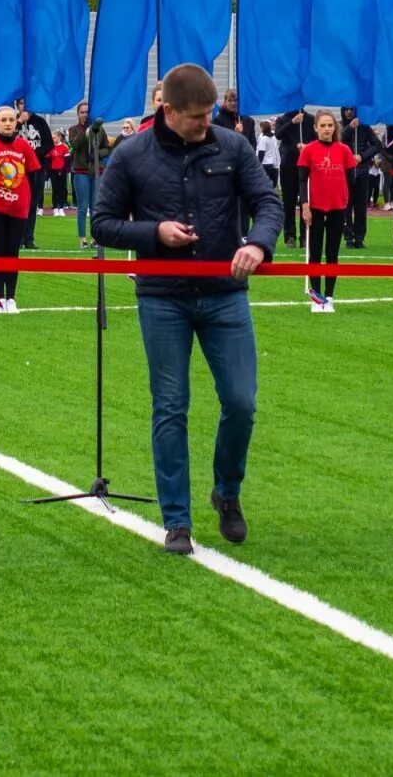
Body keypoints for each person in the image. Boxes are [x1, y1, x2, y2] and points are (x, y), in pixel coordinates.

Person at [93, 63, 279, 555]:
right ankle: (177, 519)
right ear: (167, 110)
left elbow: (268, 202)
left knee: (241, 401)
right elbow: (103, 224)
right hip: (163, 298)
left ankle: (227, 492)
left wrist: (258, 245)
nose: (206, 125)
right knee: (170, 407)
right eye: (196, 117)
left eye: (210, 115)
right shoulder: (131, 154)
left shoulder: (232, 146)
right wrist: (154, 234)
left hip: (224, 294)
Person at [0, 106, 41, 312]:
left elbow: (34, 175)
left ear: (16, 122)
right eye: (3, 120)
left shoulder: (24, 146)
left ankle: (11, 298)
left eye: (11, 120)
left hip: (18, 208)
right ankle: (0, 298)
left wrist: (30, 202)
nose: (7, 123)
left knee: (12, 252)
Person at [298, 110, 357, 312]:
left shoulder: (344, 150)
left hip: (337, 207)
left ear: (335, 127)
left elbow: (351, 179)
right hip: (314, 208)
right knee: (315, 253)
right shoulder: (309, 150)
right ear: (315, 128)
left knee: (332, 253)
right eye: (322, 125)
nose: (326, 129)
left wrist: (347, 202)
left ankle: (329, 298)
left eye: (329, 125)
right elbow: (302, 180)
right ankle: (316, 298)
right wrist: (304, 206)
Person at [11, 98, 52, 249]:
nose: (25, 106)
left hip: (36, 167)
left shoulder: (40, 122)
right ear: (17, 105)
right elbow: (7, 139)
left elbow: (49, 144)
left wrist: (34, 153)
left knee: (32, 203)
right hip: (17, 169)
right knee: (18, 202)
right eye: (21, 103)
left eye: (27, 103)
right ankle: (17, 237)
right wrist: (20, 122)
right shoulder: (13, 121)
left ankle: (29, 238)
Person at [67, 102, 107, 248]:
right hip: (81, 172)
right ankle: (82, 239)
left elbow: (107, 148)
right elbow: (75, 145)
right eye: (82, 112)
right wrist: (86, 131)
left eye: (87, 112)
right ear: (78, 114)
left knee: (95, 206)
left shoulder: (100, 130)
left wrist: (97, 154)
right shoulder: (73, 130)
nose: (85, 114)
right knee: (82, 207)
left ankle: (95, 238)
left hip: (97, 171)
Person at [342, 108, 383, 247]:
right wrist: (349, 128)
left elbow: (377, 145)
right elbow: (336, 141)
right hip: (345, 173)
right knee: (346, 207)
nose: (349, 112)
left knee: (361, 207)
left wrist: (362, 156)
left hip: (362, 172)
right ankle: (348, 237)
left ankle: (359, 238)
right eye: (346, 109)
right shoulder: (340, 126)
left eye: (351, 110)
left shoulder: (365, 127)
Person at [273, 108, 310, 246]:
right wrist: (292, 122)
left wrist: (307, 147)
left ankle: (305, 236)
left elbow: (316, 139)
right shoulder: (282, 119)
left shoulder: (310, 119)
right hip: (288, 165)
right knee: (288, 202)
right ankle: (289, 236)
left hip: (306, 166)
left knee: (306, 202)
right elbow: (278, 135)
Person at [48, 131, 71, 214]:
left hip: (62, 171)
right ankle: (55, 208)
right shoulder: (50, 147)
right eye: (52, 138)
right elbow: (48, 160)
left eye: (54, 138)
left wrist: (63, 170)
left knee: (61, 189)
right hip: (53, 171)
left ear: (59, 137)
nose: (53, 139)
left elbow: (67, 161)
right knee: (55, 190)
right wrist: (50, 171)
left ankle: (61, 208)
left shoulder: (64, 147)